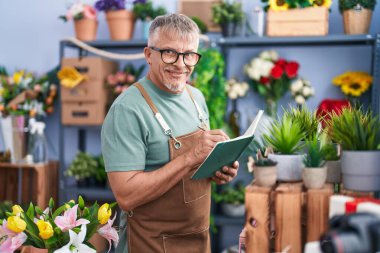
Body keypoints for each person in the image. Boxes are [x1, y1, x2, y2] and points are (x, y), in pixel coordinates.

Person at [101, 13, 239, 253]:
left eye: (189, 55)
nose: (181, 64)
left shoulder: (196, 98)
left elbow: (194, 168)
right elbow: (126, 196)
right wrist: (190, 157)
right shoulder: (127, 109)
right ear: (148, 55)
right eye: (170, 53)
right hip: (149, 244)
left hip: (197, 239)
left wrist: (218, 168)